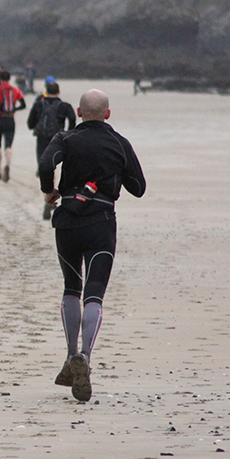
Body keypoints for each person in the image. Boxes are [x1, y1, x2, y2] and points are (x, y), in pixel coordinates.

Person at [39, 89, 145, 403]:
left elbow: (46, 164)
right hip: (101, 222)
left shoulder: (65, 139)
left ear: (79, 112)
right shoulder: (120, 144)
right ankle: (85, 355)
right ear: (108, 114)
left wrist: (50, 191)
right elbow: (138, 188)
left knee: (72, 287)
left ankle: (71, 354)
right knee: (94, 292)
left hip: (68, 220)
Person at [27, 81, 76, 219]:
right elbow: (72, 119)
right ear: (58, 92)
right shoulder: (64, 106)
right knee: (64, 168)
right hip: (59, 139)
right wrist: (68, 132)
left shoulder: (38, 104)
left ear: (46, 91)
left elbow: (30, 123)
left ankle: (48, 198)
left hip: (42, 139)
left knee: (46, 168)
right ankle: (62, 198)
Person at [0, 69, 27, 182]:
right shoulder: (16, 90)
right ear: (10, 78)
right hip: (10, 119)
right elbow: (23, 105)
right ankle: (7, 164)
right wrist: (14, 109)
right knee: (8, 146)